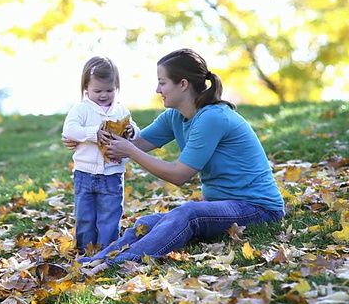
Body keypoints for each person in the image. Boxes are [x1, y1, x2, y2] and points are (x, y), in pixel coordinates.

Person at [63, 48, 285, 265]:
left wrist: (130, 151)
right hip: (221, 203)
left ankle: (120, 262)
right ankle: (96, 260)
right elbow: (134, 143)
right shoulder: (174, 117)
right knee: (146, 223)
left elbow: (179, 174)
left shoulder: (212, 118)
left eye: (162, 82)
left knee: (189, 213)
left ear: (183, 84)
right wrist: (86, 140)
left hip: (257, 207)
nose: (157, 90)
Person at [62, 56, 140, 255]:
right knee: (85, 216)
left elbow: (135, 130)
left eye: (109, 90)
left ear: (116, 87)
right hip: (85, 174)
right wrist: (92, 134)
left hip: (112, 174)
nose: (104, 95)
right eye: (98, 91)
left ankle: (107, 250)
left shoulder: (121, 110)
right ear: (86, 87)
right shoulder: (81, 109)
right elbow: (69, 130)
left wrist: (132, 131)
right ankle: (85, 249)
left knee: (110, 215)